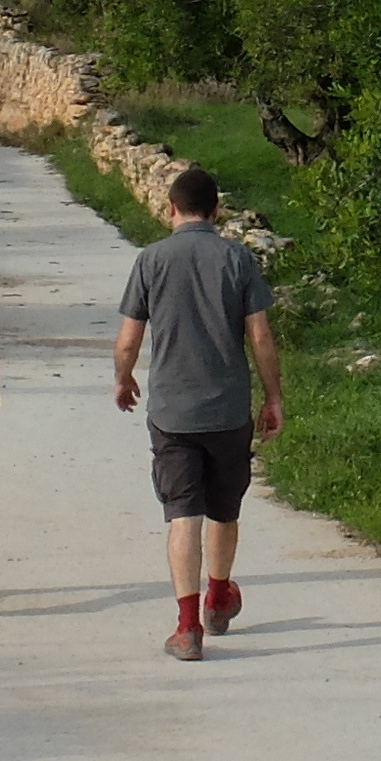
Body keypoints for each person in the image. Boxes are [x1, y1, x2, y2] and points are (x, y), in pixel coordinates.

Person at [111, 166, 281, 662]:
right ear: (217, 211)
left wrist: (123, 379)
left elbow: (127, 339)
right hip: (228, 411)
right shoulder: (238, 258)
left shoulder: (151, 260)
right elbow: (261, 337)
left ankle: (187, 627)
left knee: (182, 514)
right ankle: (219, 595)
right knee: (224, 510)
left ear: (170, 209)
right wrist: (273, 398)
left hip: (172, 414)